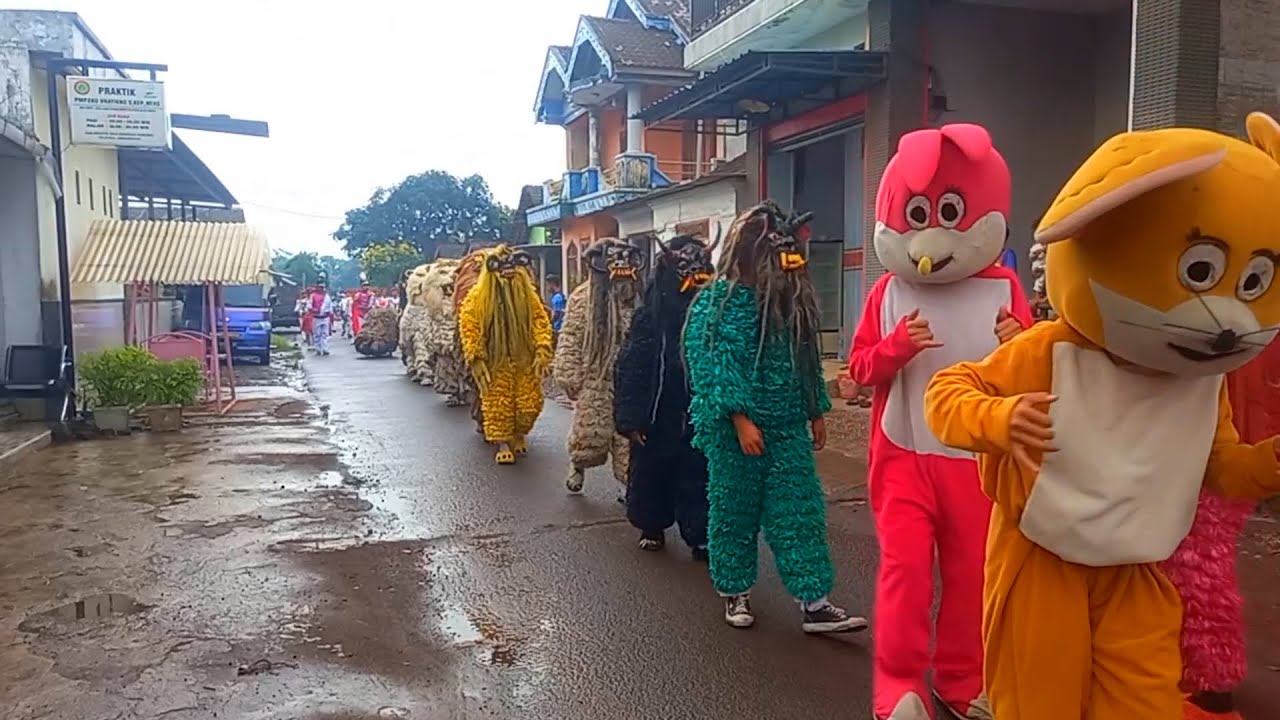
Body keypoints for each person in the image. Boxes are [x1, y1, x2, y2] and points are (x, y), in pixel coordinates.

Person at [922, 111, 1280, 720]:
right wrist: (999, 418)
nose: (1227, 325)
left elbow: (1218, 467)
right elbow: (947, 392)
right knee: (1040, 703)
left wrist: (1268, 463)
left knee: (1143, 705)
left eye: (1254, 283)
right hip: (1044, 562)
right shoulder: (1050, 350)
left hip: (1139, 569)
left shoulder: (1202, 377)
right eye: (1201, 274)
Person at [850, 124, 1030, 720]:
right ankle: (898, 683)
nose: (930, 236)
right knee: (904, 572)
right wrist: (896, 347)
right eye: (918, 214)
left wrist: (1021, 342)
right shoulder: (888, 291)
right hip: (904, 455)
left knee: (972, 575)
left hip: (977, 460)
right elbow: (859, 368)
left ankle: (960, 680)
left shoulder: (1004, 288)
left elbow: (1037, 373)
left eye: (949, 212)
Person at [683, 201, 866, 634]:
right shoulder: (717, 303)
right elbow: (713, 363)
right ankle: (734, 590)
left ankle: (814, 601)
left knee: (799, 511)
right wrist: (740, 419)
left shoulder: (789, 303)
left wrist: (815, 409)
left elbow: (805, 357)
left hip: (787, 426)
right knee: (734, 511)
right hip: (737, 434)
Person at [614, 234, 713, 559]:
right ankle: (651, 524)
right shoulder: (650, 314)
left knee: (697, 471)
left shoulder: (712, 311)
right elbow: (632, 364)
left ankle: (700, 534)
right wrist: (631, 417)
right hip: (658, 407)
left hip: (696, 404)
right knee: (652, 468)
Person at [552, 239, 643, 496]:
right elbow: (570, 337)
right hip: (595, 374)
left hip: (628, 376)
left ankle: (626, 484)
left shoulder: (635, 298)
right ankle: (577, 465)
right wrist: (569, 376)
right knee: (591, 430)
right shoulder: (583, 298)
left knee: (627, 433)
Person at [457, 245, 555, 464]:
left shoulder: (528, 296)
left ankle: (519, 432)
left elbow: (540, 320)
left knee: (529, 405)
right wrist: (476, 355)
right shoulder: (477, 298)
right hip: (495, 360)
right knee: (497, 403)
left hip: (525, 359)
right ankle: (502, 442)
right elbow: (469, 325)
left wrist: (542, 347)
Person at [308, 277, 333, 356]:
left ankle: (325, 349)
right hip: (316, 318)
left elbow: (330, 307)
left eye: (323, 287)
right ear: (317, 287)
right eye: (320, 287)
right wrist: (314, 310)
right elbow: (309, 306)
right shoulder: (313, 296)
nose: (322, 289)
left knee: (325, 334)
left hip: (325, 318)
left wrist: (329, 313)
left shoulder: (327, 297)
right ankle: (318, 349)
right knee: (317, 334)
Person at [547, 275, 566, 341]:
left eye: (548, 284)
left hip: (557, 330)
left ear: (553, 284)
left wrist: (548, 323)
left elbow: (557, 314)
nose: (547, 287)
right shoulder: (558, 296)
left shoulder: (557, 297)